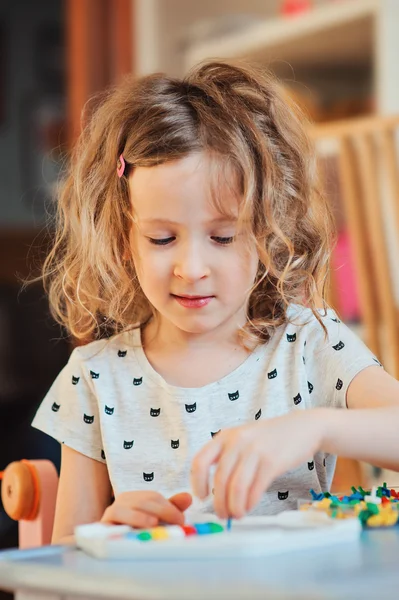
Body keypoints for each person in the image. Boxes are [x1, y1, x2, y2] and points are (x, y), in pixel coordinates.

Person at [31, 61, 399, 544]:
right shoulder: (95, 377)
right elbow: (61, 576)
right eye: (162, 239)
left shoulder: (309, 342)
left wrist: (315, 428)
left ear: (267, 232)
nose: (192, 268)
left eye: (223, 237)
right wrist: (105, 535)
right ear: (125, 240)